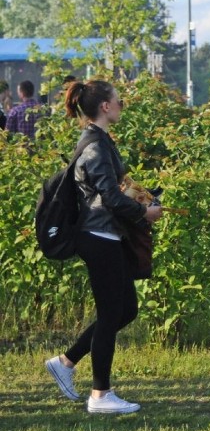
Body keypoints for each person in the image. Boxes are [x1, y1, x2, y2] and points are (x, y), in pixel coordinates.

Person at [45, 79, 163, 414]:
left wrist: (142, 197)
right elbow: (109, 198)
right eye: (119, 100)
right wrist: (144, 212)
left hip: (108, 236)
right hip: (99, 239)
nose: (122, 105)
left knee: (126, 310)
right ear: (105, 107)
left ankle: (66, 362)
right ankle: (100, 395)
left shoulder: (100, 141)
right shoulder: (95, 146)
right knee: (111, 314)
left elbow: (110, 190)